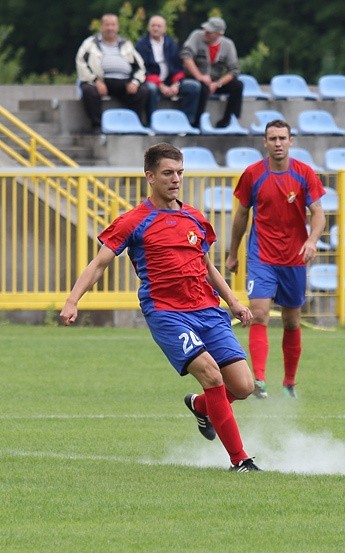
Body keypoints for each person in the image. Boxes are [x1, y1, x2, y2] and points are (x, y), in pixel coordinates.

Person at [60, 142, 261, 472]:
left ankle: (200, 405)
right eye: (168, 173)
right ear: (150, 176)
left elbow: (206, 265)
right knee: (211, 375)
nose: (176, 179)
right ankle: (241, 460)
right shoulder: (133, 221)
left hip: (209, 311)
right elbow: (99, 264)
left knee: (243, 386)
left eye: (180, 172)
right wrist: (72, 300)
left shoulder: (194, 217)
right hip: (168, 313)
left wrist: (234, 301)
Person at [226, 119, 326, 399]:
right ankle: (258, 380)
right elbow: (242, 215)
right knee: (258, 314)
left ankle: (289, 383)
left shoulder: (305, 174)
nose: (278, 143)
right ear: (265, 142)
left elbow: (318, 213)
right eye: (273, 138)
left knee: (291, 322)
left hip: (294, 258)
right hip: (262, 256)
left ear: (291, 141)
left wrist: (311, 241)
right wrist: (233, 253)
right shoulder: (253, 174)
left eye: (283, 138)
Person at [75, 13, 149, 132]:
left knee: (143, 91)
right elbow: (81, 63)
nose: (110, 28)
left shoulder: (126, 44)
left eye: (113, 25)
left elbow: (140, 66)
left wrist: (135, 82)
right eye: (107, 25)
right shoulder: (90, 43)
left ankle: (133, 124)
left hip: (124, 82)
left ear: (117, 27)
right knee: (88, 90)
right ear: (101, 27)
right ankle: (97, 126)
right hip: (100, 81)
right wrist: (95, 81)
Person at [135, 15, 202, 127]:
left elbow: (178, 67)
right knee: (151, 89)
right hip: (152, 81)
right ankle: (153, 122)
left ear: (164, 29)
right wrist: (160, 85)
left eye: (159, 26)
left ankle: (187, 122)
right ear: (148, 28)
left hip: (170, 81)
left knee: (194, 86)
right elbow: (143, 70)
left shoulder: (171, 43)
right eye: (153, 25)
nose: (155, 28)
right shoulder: (141, 45)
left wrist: (176, 84)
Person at [179, 16, 243, 128]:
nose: (206, 33)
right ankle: (197, 121)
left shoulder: (228, 45)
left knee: (238, 85)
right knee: (202, 87)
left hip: (215, 80)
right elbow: (186, 56)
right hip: (195, 77)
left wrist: (218, 83)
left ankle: (228, 119)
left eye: (210, 32)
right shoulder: (196, 36)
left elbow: (234, 70)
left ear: (219, 34)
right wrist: (200, 76)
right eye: (205, 30)